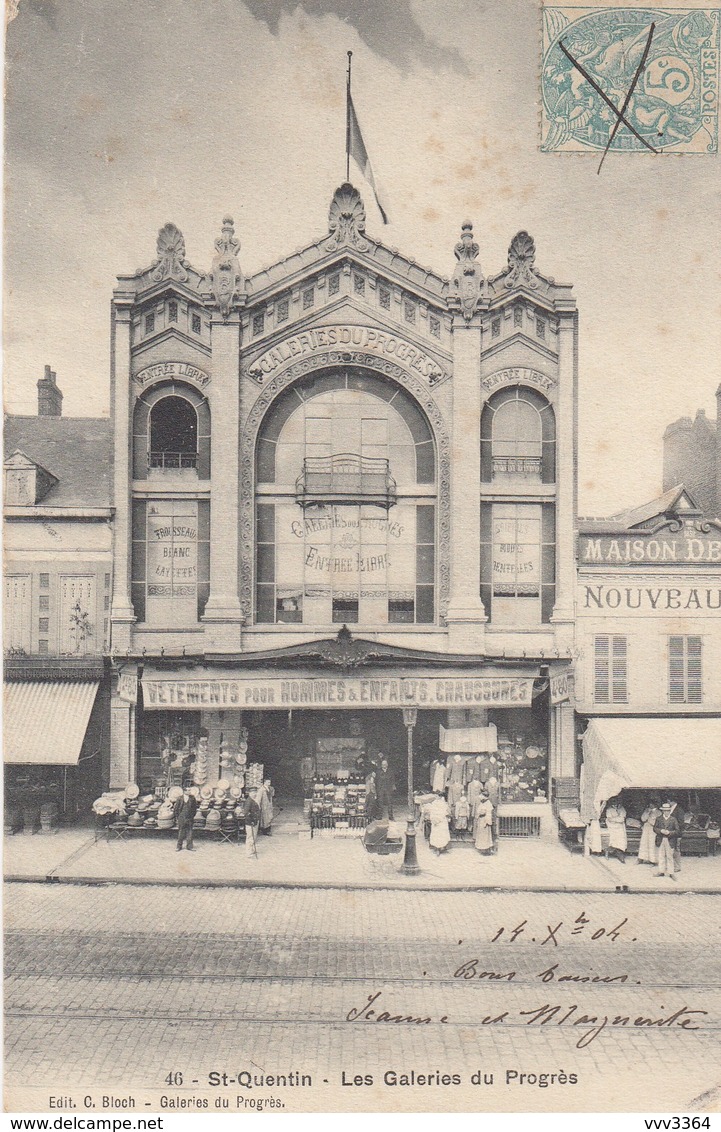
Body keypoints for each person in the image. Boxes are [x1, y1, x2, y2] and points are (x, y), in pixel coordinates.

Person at [654, 801, 680, 879]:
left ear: (670, 811)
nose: (666, 812)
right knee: (661, 856)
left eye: (668, 810)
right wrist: (660, 831)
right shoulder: (658, 819)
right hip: (661, 839)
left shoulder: (673, 819)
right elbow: (654, 828)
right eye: (665, 811)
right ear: (662, 811)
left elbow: (677, 831)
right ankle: (661, 871)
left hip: (670, 840)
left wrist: (669, 832)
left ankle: (671, 873)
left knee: (669, 856)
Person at [638, 797, 661, 864]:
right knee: (644, 843)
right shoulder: (646, 810)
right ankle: (641, 858)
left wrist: (650, 821)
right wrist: (647, 813)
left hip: (653, 830)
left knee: (652, 844)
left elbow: (657, 823)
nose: (650, 805)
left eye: (652, 804)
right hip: (646, 829)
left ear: (655, 804)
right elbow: (643, 819)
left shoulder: (658, 812)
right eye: (650, 804)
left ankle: (653, 860)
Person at [604, 797, 627, 863]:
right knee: (613, 840)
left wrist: (615, 819)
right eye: (614, 802)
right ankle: (613, 851)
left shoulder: (622, 809)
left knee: (621, 840)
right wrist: (617, 819)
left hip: (620, 828)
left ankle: (620, 853)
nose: (615, 804)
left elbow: (622, 819)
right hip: (612, 828)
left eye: (617, 802)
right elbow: (609, 819)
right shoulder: (609, 810)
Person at [242, 789, 261, 859]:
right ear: (250, 793)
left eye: (255, 792)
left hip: (255, 821)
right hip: (251, 823)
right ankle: (248, 853)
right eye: (253, 793)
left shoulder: (253, 800)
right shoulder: (249, 801)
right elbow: (246, 813)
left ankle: (252, 850)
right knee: (250, 838)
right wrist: (251, 821)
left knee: (253, 837)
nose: (254, 794)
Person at [376, 756, 395, 821]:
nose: (384, 765)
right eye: (383, 764)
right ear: (381, 765)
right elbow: (376, 781)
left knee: (390, 803)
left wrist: (392, 788)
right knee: (380, 802)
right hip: (380, 789)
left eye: (385, 764)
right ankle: (379, 816)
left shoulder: (390, 771)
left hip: (388, 789)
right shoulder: (378, 771)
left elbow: (393, 780)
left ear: (387, 764)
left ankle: (391, 816)